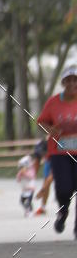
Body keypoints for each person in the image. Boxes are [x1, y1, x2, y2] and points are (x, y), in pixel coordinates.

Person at [37, 64, 77, 237]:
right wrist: (51, 130)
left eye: (75, 80)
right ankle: (63, 212)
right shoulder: (53, 102)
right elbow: (41, 122)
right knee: (64, 189)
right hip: (59, 153)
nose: (72, 84)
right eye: (68, 80)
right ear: (63, 83)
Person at [32, 138, 52, 215]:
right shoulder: (40, 146)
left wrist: (42, 190)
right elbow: (36, 163)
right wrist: (32, 178)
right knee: (46, 180)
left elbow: (52, 176)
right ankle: (43, 207)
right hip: (49, 160)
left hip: (63, 157)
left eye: (44, 154)